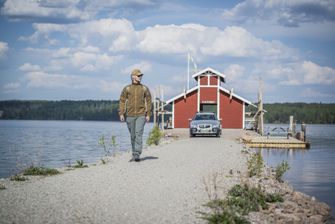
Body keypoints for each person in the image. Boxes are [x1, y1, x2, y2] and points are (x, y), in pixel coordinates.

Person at [119, 69, 152, 162]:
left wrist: (148, 114)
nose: (140, 77)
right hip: (129, 115)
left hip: (141, 115)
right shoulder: (127, 88)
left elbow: (149, 101)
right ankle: (134, 154)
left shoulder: (144, 88)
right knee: (132, 135)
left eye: (141, 75)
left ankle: (137, 154)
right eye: (138, 75)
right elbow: (122, 101)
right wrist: (121, 113)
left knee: (138, 134)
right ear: (133, 76)